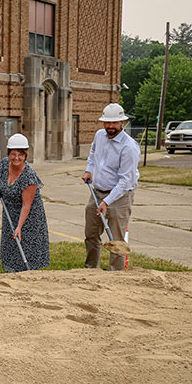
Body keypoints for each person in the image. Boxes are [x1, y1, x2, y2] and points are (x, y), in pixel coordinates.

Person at [81, 103, 139, 271]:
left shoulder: (129, 147)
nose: (110, 126)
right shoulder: (100, 135)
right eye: (107, 122)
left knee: (116, 238)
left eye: (114, 123)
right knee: (91, 234)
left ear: (122, 122)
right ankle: (91, 268)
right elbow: (93, 153)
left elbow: (125, 181)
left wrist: (107, 202)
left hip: (119, 197)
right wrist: (89, 170)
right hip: (97, 192)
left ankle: (116, 274)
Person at [0, 134, 50, 272]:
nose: (16, 158)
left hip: (29, 218)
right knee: (10, 246)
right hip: (9, 214)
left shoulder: (29, 176)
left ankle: (28, 276)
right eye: (13, 154)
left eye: (21, 154)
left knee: (25, 248)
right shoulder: (3, 165)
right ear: (8, 153)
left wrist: (19, 227)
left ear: (26, 155)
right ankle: (10, 273)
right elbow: (0, 180)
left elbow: (27, 205)